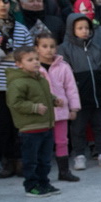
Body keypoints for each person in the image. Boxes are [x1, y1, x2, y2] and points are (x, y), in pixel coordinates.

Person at [0, 0, 36, 178]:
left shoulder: (21, 29)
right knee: (3, 125)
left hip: (20, 84)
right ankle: (8, 161)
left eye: (6, 0)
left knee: (21, 125)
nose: (2, 4)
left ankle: (22, 160)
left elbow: (31, 55)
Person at [60, 13, 101, 170]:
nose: (84, 31)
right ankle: (79, 155)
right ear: (71, 29)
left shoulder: (96, 48)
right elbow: (63, 76)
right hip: (77, 97)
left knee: (99, 126)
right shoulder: (64, 49)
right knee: (78, 128)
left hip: (97, 94)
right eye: (80, 28)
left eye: (87, 28)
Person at [7, 46, 63, 197]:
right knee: (31, 160)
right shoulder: (17, 82)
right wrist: (34, 107)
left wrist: (54, 100)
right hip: (30, 128)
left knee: (44, 160)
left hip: (46, 126)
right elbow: (14, 103)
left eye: (37, 59)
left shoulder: (40, 79)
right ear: (19, 64)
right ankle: (31, 186)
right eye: (30, 60)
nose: (35, 62)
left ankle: (44, 183)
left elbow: (44, 96)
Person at [34, 32, 80, 182]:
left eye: (52, 46)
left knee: (62, 141)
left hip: (60, 111)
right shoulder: (33, 68)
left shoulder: (63, 66)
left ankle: (64, 171)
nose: (49, 50)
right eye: (44, 46)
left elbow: (71, 88)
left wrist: (73, 108)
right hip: (41, 113)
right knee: (42, 143)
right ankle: (42, 174)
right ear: (37, 48)